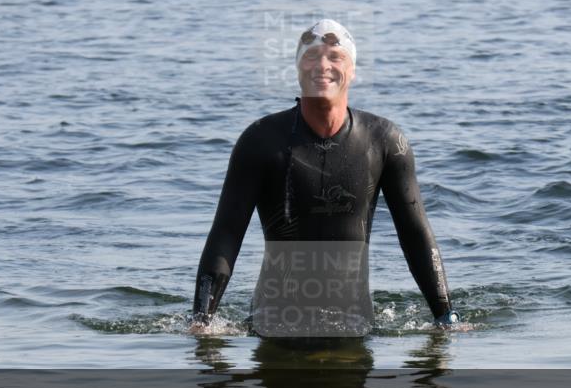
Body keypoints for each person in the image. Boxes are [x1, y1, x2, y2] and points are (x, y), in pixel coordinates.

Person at [191, 19, 458, 335]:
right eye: (311, 56)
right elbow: (226, 234)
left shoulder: (385, 141)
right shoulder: (260, 141)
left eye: (335, 57)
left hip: (354, 324)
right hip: (273, 323)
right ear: (297, 69)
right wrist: (201, 322)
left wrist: (447, 317)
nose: (322, 65)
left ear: (353, 70)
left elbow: (415, 235)